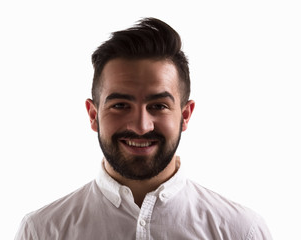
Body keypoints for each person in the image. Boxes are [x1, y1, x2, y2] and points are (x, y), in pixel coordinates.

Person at [15, 17, 272, 239]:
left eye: (158, 106)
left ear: (185, 115)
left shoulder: (242, 232)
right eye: (120, 105)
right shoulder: (41, 232)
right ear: (93, 115)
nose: (141, 126)